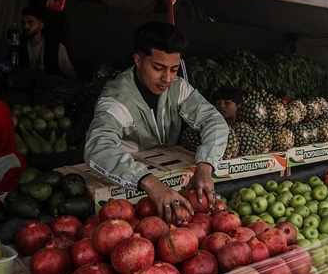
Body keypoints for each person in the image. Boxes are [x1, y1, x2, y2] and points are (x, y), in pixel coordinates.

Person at [85, 22, 229, 224]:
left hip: (171, 179)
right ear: (137, 59)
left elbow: (214, 120)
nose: (167, 78)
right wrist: (148, 182)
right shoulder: (116, 99)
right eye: (158, 68)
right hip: (125, 193)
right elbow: (98, 147)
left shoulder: (178, 88)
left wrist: (205, 166)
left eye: (174, 69)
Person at [20, 7, 76, 79]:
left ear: (41, 25)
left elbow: (68, 70)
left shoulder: (55, 45)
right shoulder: (19, 45)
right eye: (23, 23)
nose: (25, 26)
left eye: (30, 23)